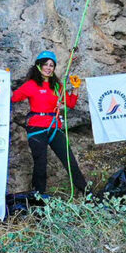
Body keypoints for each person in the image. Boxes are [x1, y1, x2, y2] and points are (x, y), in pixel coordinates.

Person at [11, 51, 89, 196]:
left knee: (69, 160)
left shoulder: (57, 86)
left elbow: (70, 103)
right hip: (36, 128)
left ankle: (86, 193)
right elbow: (13, 98)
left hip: (54, 127)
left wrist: (76, 87)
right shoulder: (31, 85)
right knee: (40, 164)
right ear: (39, 66)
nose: (48, 68)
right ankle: (38, 196)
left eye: (51, 65)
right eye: (45, 64)